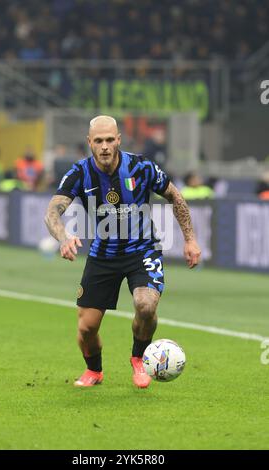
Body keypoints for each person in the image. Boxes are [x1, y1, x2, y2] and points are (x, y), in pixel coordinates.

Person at [45, 115, 201, 388]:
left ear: (118, 140)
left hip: (143, 250)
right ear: (89, 143)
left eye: (109, 140)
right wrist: (63, 237)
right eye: (98, 141)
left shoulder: (142, 167)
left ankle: (139, 358)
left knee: (146, 304)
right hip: (103, 254)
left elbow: (175, 196)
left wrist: (190, 239)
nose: (104, 146)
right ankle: (94, 370)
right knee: (86, 328)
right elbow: (53, 211)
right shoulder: (80, 172)